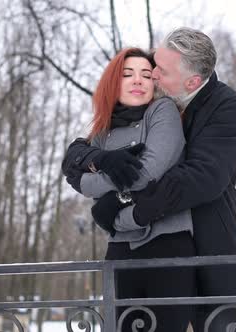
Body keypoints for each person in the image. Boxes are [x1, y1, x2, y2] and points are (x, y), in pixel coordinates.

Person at [62, 28, 236, 331]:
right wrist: (93, 158)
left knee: (219, 325)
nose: (151, 74)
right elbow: (79, 152)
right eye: (154, 62)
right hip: (143, 252)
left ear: (191, 82)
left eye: (160, 70)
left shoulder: (226, 106)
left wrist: (124, 209)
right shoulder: (146, 105)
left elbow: (202, 177)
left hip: (205, 247)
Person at [62, 47, 196, 332]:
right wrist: (96, 173)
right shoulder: (102, 130)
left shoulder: (163, 111)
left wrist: (95, 186)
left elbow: (146, 172)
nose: (138, 80)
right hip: (119, 251)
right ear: (114, 81)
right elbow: (76, 171)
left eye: (146, 75)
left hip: (168, 247)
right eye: (128, 74)